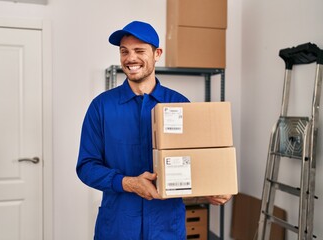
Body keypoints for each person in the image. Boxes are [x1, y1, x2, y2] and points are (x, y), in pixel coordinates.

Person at [76, 20, 231, 240]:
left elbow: (194, 160)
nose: (131, 58)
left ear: (157, 53)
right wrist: (128, 183)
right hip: (118, 227)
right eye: (124, 51)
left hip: (166, 226)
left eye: (139, 50)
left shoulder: (179, 104)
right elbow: (86, 167)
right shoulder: (101, 107)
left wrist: (212, 187)